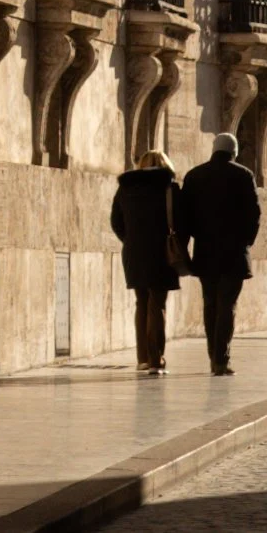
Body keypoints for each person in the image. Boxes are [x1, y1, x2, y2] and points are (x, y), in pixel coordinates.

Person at [179, 132, 261, 376]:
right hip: (234, 252)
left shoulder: (194, 175)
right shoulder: (244, 175)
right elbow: (254, 213)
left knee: (210, 304)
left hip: (205, 250)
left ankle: (212, 356)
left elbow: (185, 215)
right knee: (227, 305)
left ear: (214, 149)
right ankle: (221, 360)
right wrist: (246, 240)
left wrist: (193, 239)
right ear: (234, 152)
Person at [110, 149, 182, 376]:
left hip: (133, 252)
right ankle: (155, 359)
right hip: (161, 251)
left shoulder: (125, 188)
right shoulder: (169, 188)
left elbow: (116, 221)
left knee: (141, 303)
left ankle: (142, 358)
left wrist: (130, 240)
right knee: (157, 303)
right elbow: (181, 221)